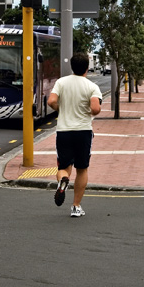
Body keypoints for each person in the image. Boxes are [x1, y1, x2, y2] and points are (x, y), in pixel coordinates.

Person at [47, 52, 102, 218]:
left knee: (63, 167)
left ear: (72, 66)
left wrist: (59, 108)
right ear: (87, 68)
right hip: (83, 131)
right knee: (82, 168)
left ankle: (63, 180)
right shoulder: (91, 86)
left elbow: (51, 101)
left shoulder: (61, 82)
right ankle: (76, 206)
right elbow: (95, 109)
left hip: (64, 131)